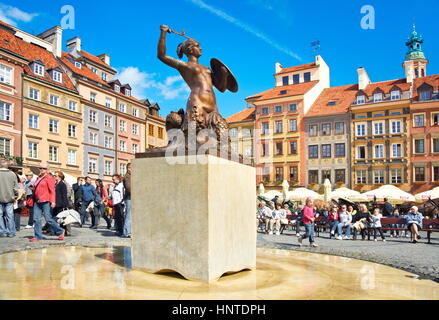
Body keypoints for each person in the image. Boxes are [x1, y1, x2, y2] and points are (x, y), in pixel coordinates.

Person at [29, 162, 65, 242]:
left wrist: (53, 201)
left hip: (46, 201)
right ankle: (38, 236)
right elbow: (38, 188)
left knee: (48, 219)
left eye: (44, 168)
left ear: (47, 169)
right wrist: (33, 189)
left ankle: (60, 231)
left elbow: (52, 191)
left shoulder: (49, 178)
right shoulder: (38, 178)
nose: (42, 170)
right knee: (36, 219)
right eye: (40, 168)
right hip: (37, 201)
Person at [0, 160, 19, 237]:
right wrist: (15, 196)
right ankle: (11, 232)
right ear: (7, 166)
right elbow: (15, 187)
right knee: (10, 215)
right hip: (10, 198)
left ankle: (2, 231)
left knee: (0, 215)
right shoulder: (12, 174)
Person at [53, 171, 71, 236]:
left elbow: (64, 195)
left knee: (61, 219)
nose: (54, 177)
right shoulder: (56, 184)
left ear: (60, 177)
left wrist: (65, 205)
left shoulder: (62, 184)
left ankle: (62, 231)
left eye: (55, 176)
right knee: (56, 218)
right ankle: (59, 230)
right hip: (56, 204)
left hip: (60, 204)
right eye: (54, 176)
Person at [122, 163, 132, 238]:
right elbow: (129, 188)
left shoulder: (132, 176)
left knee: (131, 215)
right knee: (129, 215)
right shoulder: (127, 177)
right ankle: (126, 232)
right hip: (129, 197)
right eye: (131, 168)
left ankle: (129, 231)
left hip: (132, 197)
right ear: (128, 168)